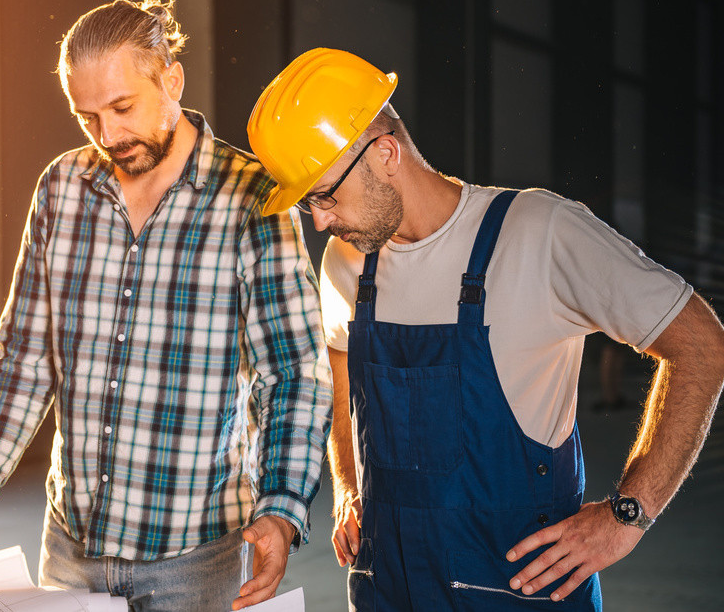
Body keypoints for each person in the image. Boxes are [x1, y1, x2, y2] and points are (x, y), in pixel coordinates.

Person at [246, 48, 724, 610]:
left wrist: (628, 515)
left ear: (385, 153)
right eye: (308, 205)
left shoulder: (538, 233)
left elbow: (703, 347)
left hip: (518, 591)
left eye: (325, 195)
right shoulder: (349, 264)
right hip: (388, 589)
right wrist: (349, 484)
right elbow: (342, 365)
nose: (321, 220)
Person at [0, 0, 331, 611]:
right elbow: (25, 360)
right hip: (71, 554)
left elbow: (294, 375)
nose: (108, 136)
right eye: (88, 117)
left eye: (123, 108)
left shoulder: (253, 201)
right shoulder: (61, 190)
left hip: (199, 563)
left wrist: (282, 509)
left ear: (172, 79)